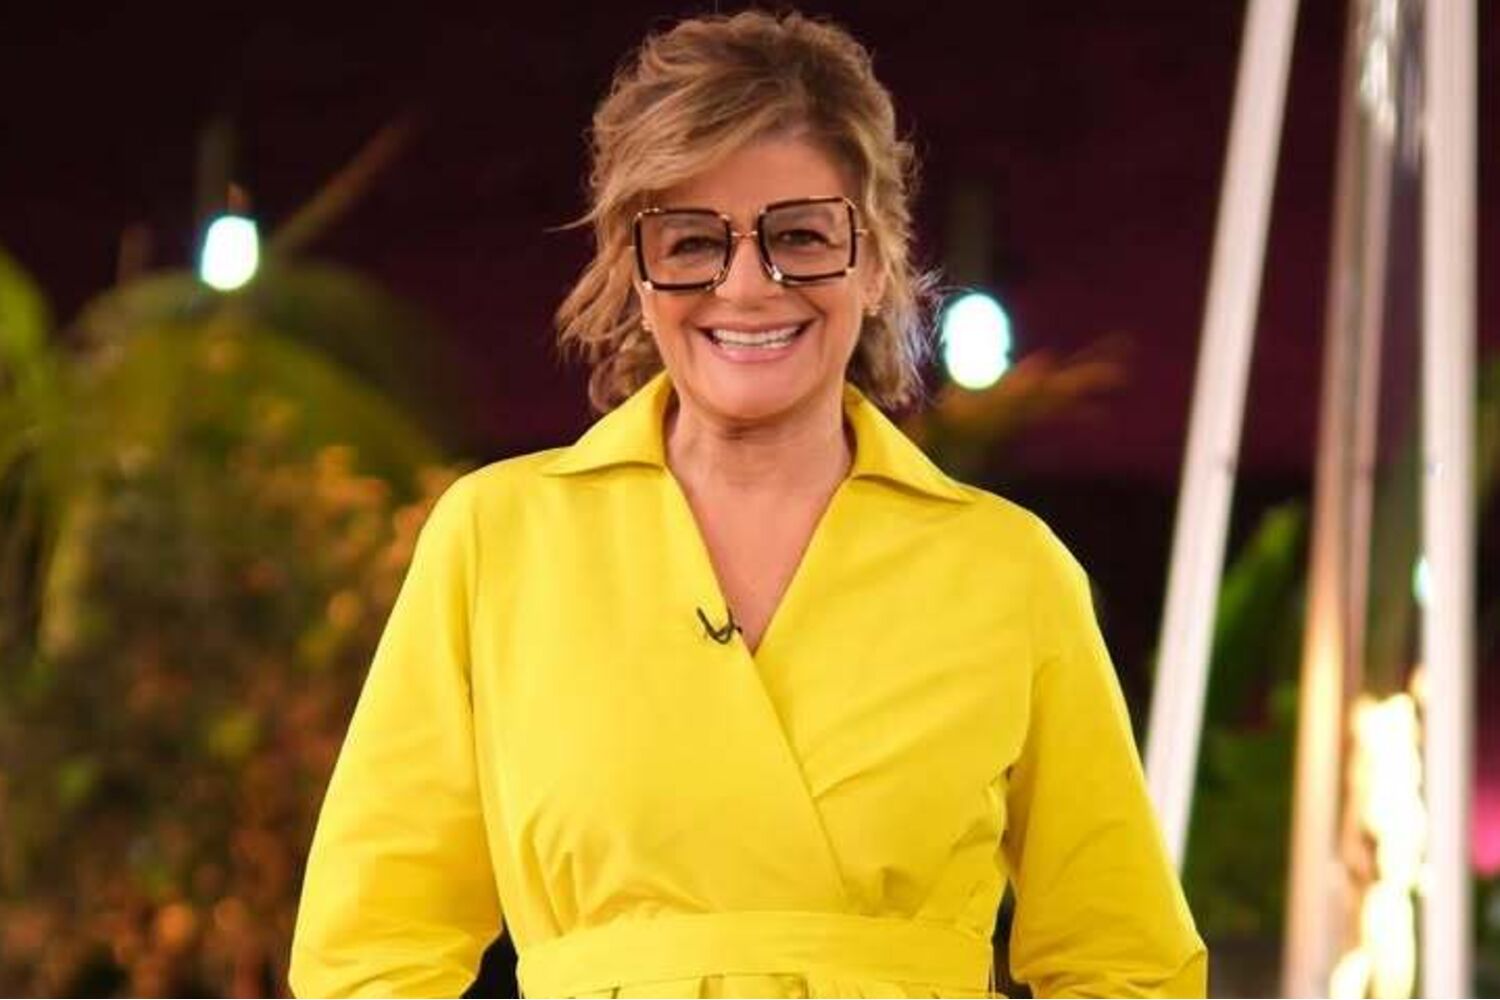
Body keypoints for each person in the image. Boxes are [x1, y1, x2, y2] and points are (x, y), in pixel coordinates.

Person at [289, 10, 1207, 998]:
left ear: (875, 259)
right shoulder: (497, 540)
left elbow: (1128, 965)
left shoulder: (1009, 569)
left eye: (800, 235)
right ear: (636, 272)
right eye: (691, 241)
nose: (746, 286)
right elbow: (368, 953)